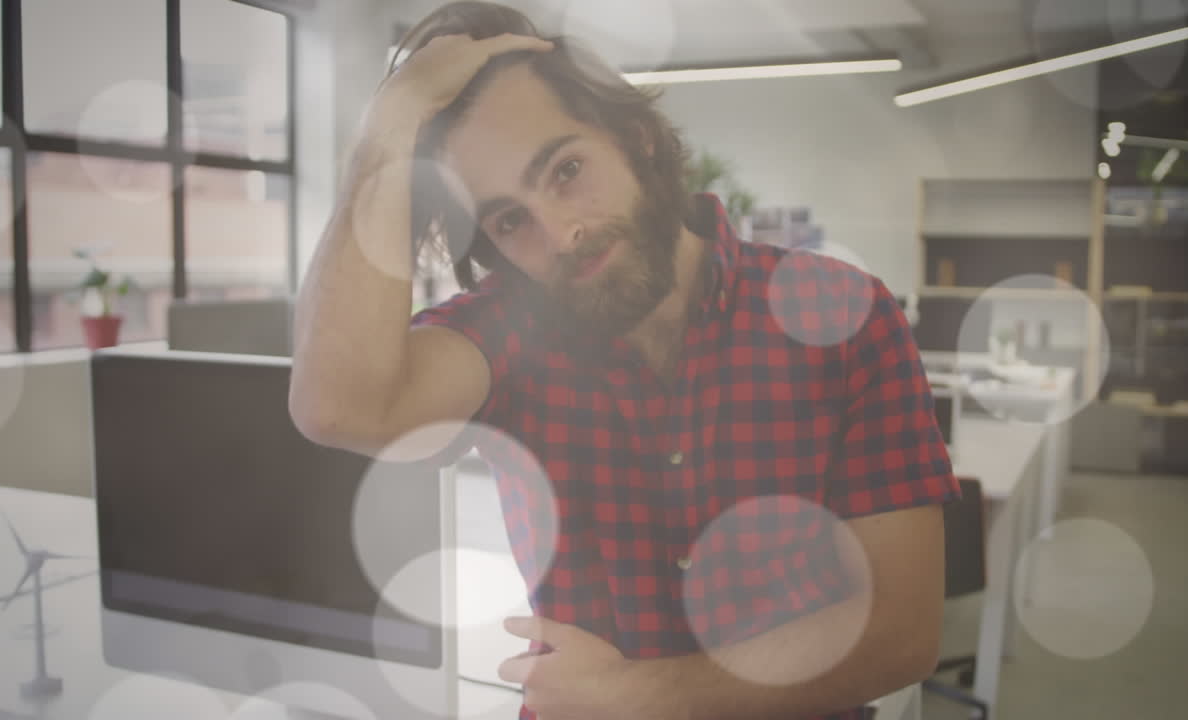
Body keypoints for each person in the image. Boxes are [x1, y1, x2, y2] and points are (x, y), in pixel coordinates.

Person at [289, 3, 960, 719]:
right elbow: (338, 406)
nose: (561, 232)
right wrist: (391, 120)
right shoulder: (514, 329)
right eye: (510, 220)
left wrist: (645, 694)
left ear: (637, 140)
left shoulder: (844, 317)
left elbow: (902, 632)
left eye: (567, 170)